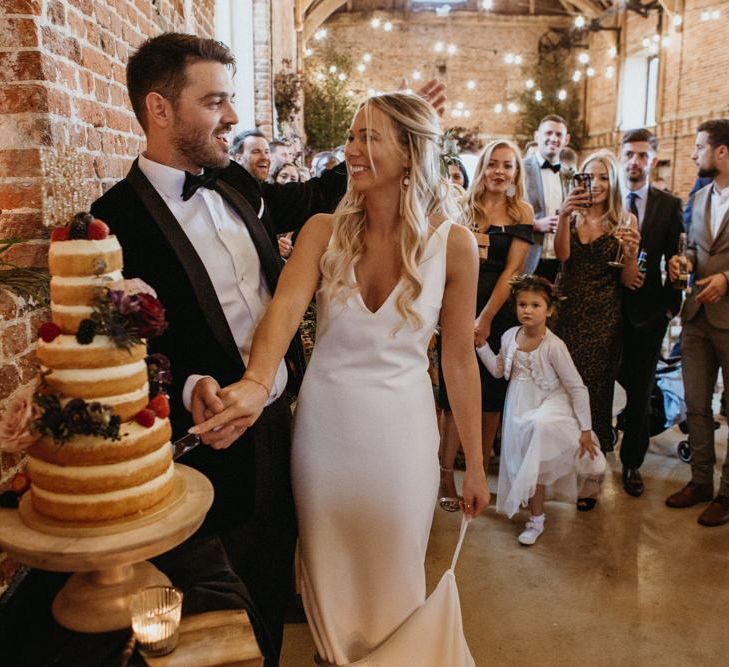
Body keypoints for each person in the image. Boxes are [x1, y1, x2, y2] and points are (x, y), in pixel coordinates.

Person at [191, 92, 490, 665]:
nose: (350, 150)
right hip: (326, 432)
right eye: (352, 137)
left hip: (403, 435)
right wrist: (256, 381)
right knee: (328, 581)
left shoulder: (452, 245)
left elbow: (457, 359)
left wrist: (471, 464)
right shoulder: (322, 230)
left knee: (397, 574)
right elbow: (283, 310)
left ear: (409, 152)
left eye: (368, 137)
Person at [89, 33, 348, 663]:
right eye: (215, 102)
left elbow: (305, 201)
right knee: (224, 611)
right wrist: (184, 387)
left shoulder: (232, 180)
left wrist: (375, 143)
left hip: (286, 424)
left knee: (276, 575)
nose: (231, 117)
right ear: (159, 109)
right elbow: (113, 351)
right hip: (208, 448)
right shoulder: (111, 220)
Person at [438, 139, 533, 510]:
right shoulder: (462, 206)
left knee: (491, 397)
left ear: (515, 173)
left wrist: (486, 319)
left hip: (498, 309)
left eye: (507, 166)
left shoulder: (521, 211)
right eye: (493, 164)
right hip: (458, 303)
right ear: (482, 168)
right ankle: (446, 474)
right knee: (451, 397)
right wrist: (460, 316)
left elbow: (513, 271)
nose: (499, 171)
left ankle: (478, 470)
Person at [477, 275, 604, 545]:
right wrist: (481, 347)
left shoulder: (554, 347)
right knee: (521, 461)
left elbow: (577, 388)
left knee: (537, 453)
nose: (527, 310)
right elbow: (499, 370)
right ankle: (528, 507)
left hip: (548, 404)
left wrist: (585, 428)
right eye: (522, 304)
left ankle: (536, 520)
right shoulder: (510, 336)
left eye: (535, 305)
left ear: (550, 310)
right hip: (517, 404)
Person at [554, 150, 640, 452]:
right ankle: (561, 457)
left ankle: (591, 469)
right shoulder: (573, 214)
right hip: (566, 310)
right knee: (562, 386)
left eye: (604, 177)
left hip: (603, 318)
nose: (597, 183)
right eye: (591, 176)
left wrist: (631, 252)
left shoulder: (625, 219)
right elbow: (562, 256)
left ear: (614, 180)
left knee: (595, 390)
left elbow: (629, 281)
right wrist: (563, 215)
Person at [666, 119, 729, 527]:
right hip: (696, 317)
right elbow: (690, 244)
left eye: (700, 147)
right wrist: (681, 262)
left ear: (722, 152)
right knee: (695, 405)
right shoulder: (701, 195)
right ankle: (701, 480)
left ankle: (728, 494)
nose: (693, 154)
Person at [617, 129, 683, 497]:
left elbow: (678, 254)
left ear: (652, 160)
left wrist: (670, 308)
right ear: (620, 155)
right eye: (629, 154)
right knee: (601, 385)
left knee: (641, 390)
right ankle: (596, 454)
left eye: (642, 155)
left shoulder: (668, 205)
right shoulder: (608, 199)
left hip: (648, 313)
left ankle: (632, 463)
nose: (635, 162)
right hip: (606, 309)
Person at [523, 114, 571, 281]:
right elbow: (505, 211)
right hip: (528, 258)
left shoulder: (570, 175)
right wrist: (534, 225)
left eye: (559, 134)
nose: (553, 138)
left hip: (560, 262)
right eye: (548, 133)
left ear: (566, 140)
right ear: (537, 136)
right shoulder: (520, 169)